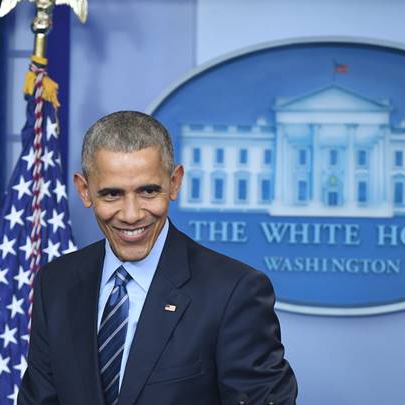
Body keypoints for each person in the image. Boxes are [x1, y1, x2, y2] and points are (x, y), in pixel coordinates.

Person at [18, 111, 297, 405]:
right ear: (85, 191)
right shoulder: (56, 282)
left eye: (148, 191)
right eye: (112, 194)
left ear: (174, 183)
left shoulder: (234, 292)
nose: (131, 214)